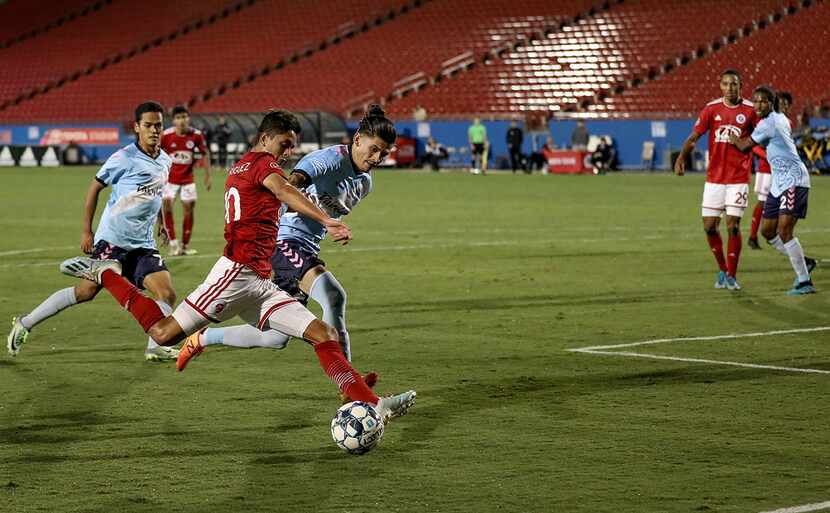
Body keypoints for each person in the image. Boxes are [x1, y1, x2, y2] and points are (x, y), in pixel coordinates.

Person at [57, 109, 416, 422]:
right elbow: (287, 190)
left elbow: (280, 193)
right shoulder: (262, 166)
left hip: (259, 280)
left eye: (293, 146)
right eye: (284, 144)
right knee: (164, 333)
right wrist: (327, 220)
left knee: (323, 334)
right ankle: (106, 274)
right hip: (233, 274)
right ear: (265, 139)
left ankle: (372, 404)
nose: (289, 152)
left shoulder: (251, 165)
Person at [175, 105, 396, 379]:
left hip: (305, 247)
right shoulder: (328, 158)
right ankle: (348, 380)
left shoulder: (365, 184)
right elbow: (292, 182)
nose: (377, 157)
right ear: (357, 140)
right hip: (284, 242)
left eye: (384, 154)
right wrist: (317, 216)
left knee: (275, 339)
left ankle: (204, 338)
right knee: (333, 296)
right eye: (373, 149)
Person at [7, 101, 180, 362]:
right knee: (85, 292)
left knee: (166, 293)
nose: (154, 130)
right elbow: (94, 188)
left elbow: (155, 195)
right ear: (136, 127)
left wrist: (162, 223)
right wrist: (86, 232)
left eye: (158, 125)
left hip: (143, 244)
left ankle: (155, 345)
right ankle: (25, 322)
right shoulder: (124, 157)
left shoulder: (165, 160)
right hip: (113, 240)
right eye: (148, 125)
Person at [675, 69, 757, 291]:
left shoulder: (750, 110)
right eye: (726, 84)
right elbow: (694, 137)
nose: (730, 88)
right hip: (714, 178)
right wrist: (681, 157)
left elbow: (761, 138)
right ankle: (722, 269)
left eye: (734, 84)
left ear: (741, 86)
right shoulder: (712, 109)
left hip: (738, 177)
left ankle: (732, 274)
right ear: (720, 86)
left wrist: (747, 144)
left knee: (733, 225)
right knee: (710, 227)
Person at [729, 86, 816, 295]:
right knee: (767, 231)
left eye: (763, 101)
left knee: (785, 231)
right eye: (756, 101)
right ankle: (803, 262)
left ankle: (804, 281)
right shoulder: (780, 118)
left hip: (794, 180)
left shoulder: (769, 123)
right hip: (779, 182)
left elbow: (743, 147)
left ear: (771, 103)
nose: (758, 105)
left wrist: (732, 137)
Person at [160, 105, 211, 256]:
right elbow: (156, 154)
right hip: (170, 180)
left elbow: (205, 154)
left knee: (188, 209)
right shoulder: (166, 136)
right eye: (178, 117)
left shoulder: (196, 135)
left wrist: (207, 175)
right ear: (173, 120)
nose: (182, 120)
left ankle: (184, 245)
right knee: (166, 206)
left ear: (188, 118)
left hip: (188, 180)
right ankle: (173, 244)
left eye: (184, 117)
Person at [748, 91, 794, 249]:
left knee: (781, 204)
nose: (783, 106)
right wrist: (767, 155)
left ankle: (773, 233)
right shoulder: (766, 122)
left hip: (782, 172)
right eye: (781, 103)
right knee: (763, 201)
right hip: (766, 169)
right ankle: (753, 236)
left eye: (786, 104)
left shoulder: (787, 122)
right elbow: (753, 147)